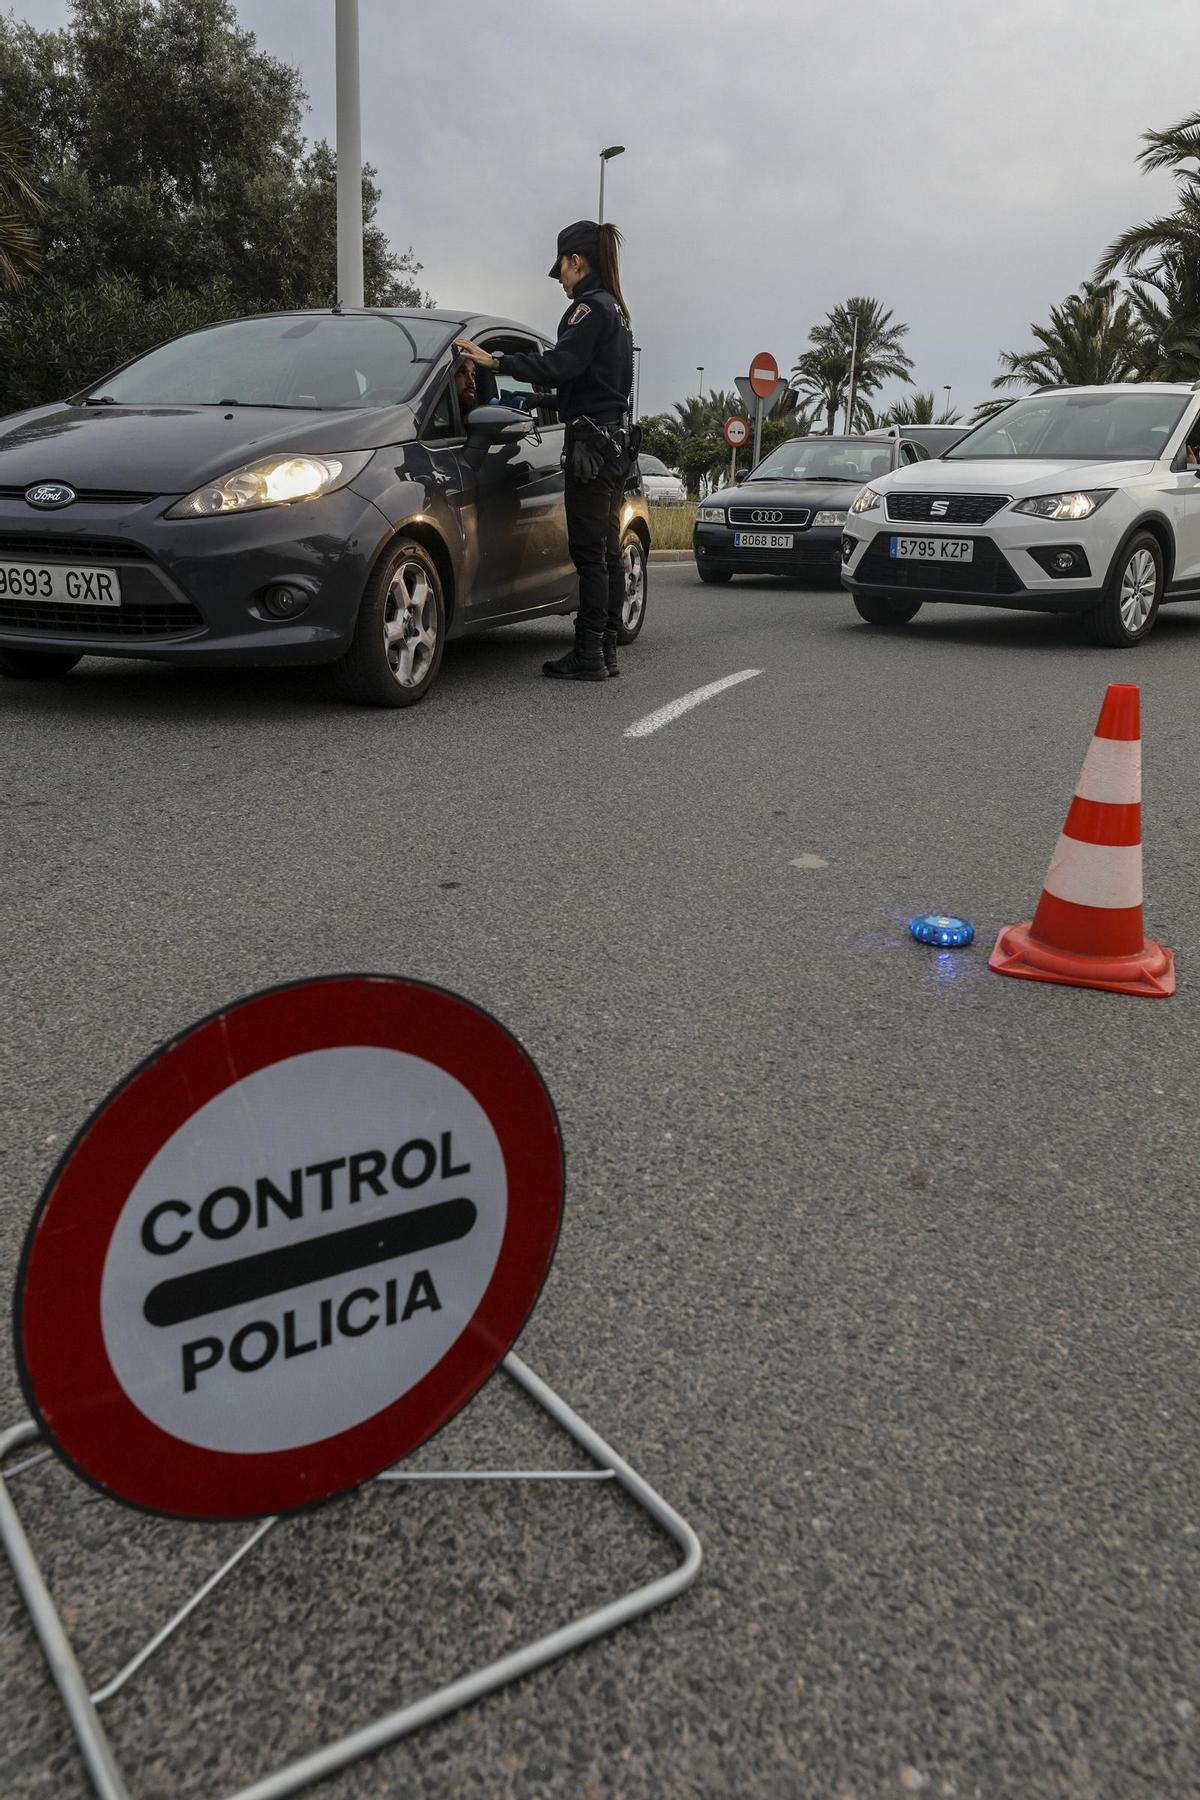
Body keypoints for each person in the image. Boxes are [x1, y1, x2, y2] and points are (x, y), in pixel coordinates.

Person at [454, 220, 634, 681]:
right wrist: (539, 400)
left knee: (590, 553)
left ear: (576, 261)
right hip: (612, 441)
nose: (561, 282)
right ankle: (606, 648)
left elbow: (560, 364)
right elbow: (595, 387)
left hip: (592, 447)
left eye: (562, 270)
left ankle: (590, 652)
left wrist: (495, 361)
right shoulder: (615, 309)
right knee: (606, 551)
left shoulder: (588, 310)